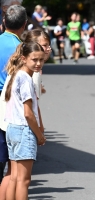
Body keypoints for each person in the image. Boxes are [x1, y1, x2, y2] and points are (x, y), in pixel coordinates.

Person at [4, 41, 46, 200]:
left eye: (41, 59)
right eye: (34, 59)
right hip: (24, 130)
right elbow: (28, 114)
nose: (38, 63)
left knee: (14, 177)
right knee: (24, 180)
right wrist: (40, 135)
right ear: (23, 58)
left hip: (12, 128)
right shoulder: (26, 80)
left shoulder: (16, 74)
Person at [0, 5, 26, 198]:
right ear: (24, 25)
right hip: (10, 104)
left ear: (3, 22)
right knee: (12, 159)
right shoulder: (22, 49)